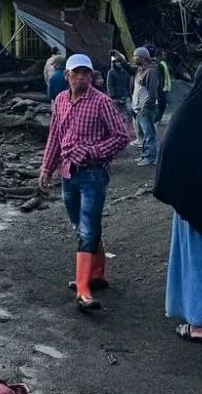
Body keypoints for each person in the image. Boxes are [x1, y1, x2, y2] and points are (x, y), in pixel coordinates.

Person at [39, 54, 129, 310]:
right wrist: (46, 168)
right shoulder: (60, 101)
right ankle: (96, 274)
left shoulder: (101, 102)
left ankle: (83, 288)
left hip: (93, 173)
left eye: (86, 73)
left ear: (91, 75)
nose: (81, 77)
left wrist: (92, 151)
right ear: (66, 75)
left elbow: (121, 136)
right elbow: (54, 137)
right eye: (76, 73)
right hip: (68, 173)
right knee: (81, 225)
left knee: (88, 227)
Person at [154, 61, 202, 343]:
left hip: (193, 211)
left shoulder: (186, 115)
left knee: (197, 265)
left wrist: (175, 194)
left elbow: (169, 155)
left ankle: (198, 324)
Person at [127, 47, 160, 166]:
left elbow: (152, 93)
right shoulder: (140, 70)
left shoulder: (151, 71)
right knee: (144, 136)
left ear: (142, 57)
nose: (134, 58)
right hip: (139, 108)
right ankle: (145, 155)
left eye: (135, 56)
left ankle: (150, 157)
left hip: (146, 109)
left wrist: (145, 107)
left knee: (149, 134)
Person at [106, 56, 132, 131]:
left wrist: (129, 94)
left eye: (121, 62)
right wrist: (112, 96)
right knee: (116, 114)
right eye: (118, 62)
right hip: (115, 97)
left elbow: (128, 84)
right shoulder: (111, 72)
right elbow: (109, 85)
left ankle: (127, 130)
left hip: (126, 96)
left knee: (129, 113)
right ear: (114, 63)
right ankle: (117, 130)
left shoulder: (126, 72)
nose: (119, 63)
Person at [155, 49, 172, 123]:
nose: (164, 56)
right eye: (163, 55)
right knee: (162, 105)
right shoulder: (160, 65)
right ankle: (157, 119)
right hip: (162, 88)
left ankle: (158, 118)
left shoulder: (163, 63)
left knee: (163, 105)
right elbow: (161, 77)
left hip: (165, 87)